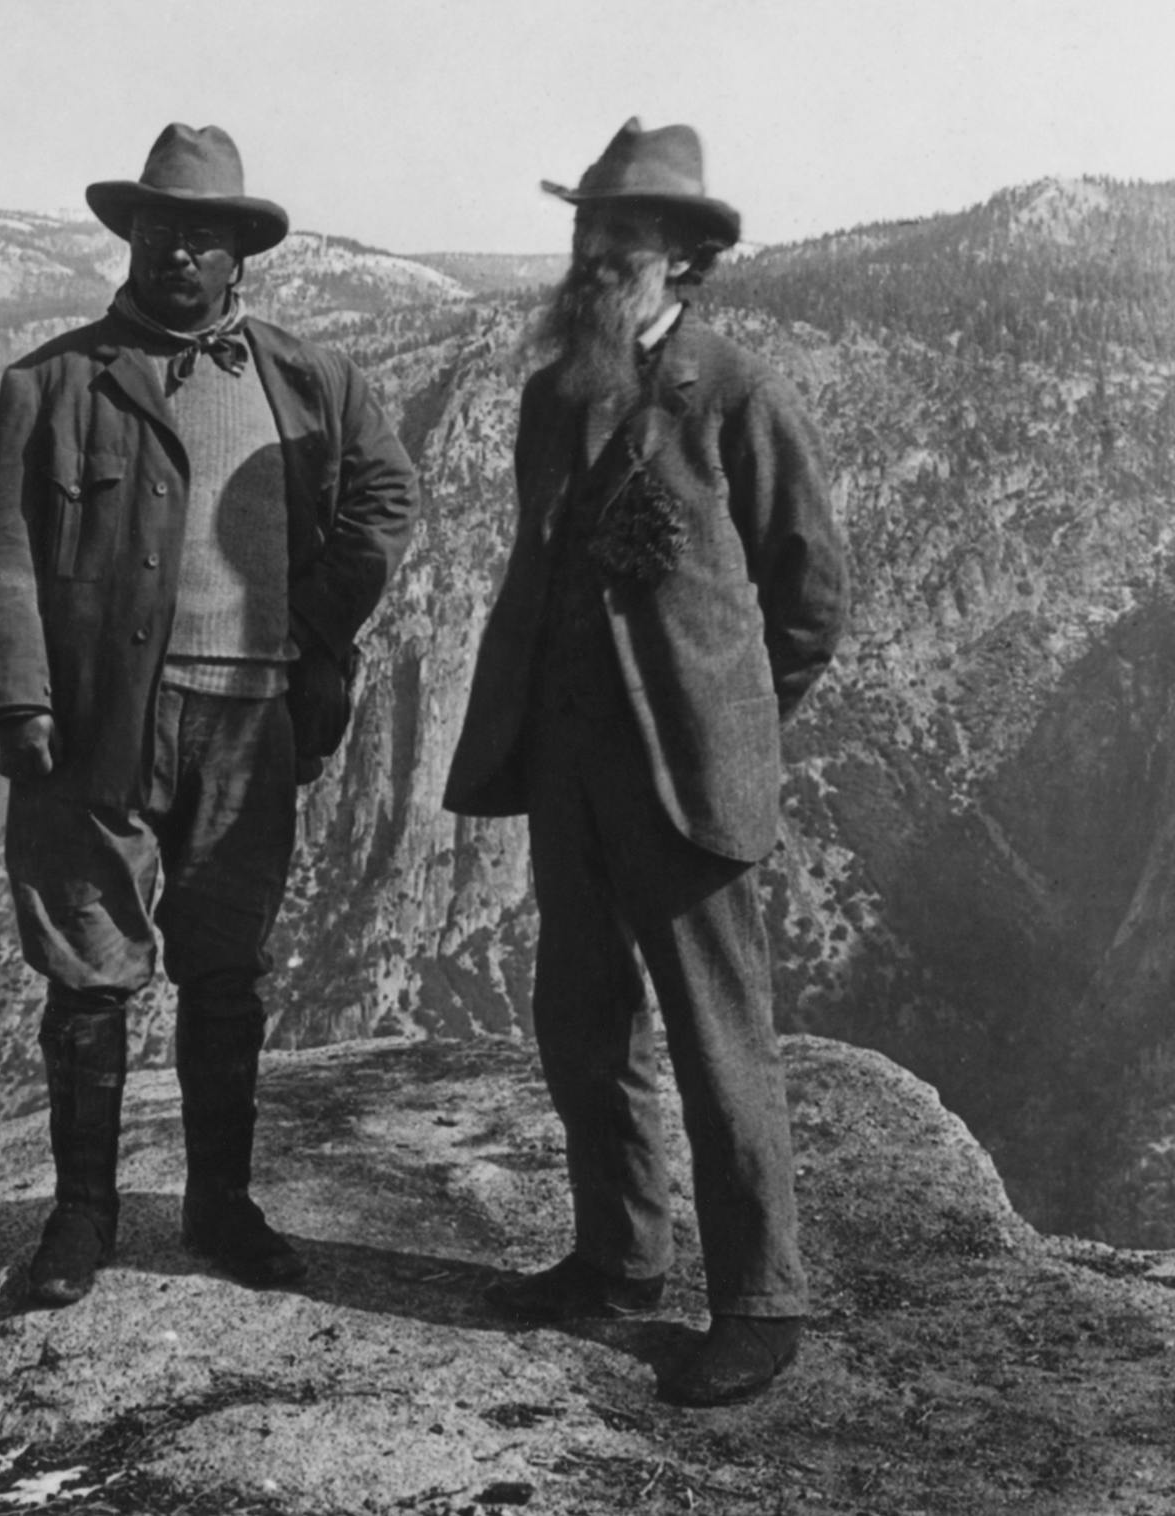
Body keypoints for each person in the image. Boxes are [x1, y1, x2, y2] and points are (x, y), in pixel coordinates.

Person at [0, 123, 419, 1307]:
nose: (178, 252)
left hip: (252, 722)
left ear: (239, 256)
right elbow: (6, 548)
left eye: (203, 236)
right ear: (132, 237)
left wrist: (318, 619)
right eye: (160, 228)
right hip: (98, 724)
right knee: (88, 970)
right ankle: (82, 1217)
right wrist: (20, 700)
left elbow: (386, 496)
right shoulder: (52, 384)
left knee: (226, 972)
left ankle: (221, 1204)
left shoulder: (311, 381)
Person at [443, 119, 848, 1406]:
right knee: (581, 1020)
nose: (597, 253)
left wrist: (734, 722)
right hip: (567, 768)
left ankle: (761, 1303)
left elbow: (810, 598)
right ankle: (617, 1258)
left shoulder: (735, 395)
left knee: (719, 1037)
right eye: (588, 229)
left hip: (686, 780)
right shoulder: (555, 393)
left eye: (622, 235)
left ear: (683, 256)